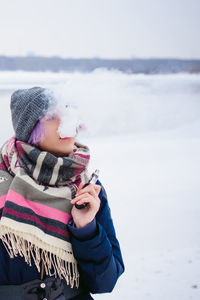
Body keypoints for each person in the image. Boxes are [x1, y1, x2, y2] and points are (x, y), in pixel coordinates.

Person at [0, 87, 124, 300]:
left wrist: (86, 229)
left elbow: (105, 282)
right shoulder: (4, 183)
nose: (65, 122)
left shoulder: (87, 188)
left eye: (67, 113)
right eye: (50, 117)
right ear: (30, 129)